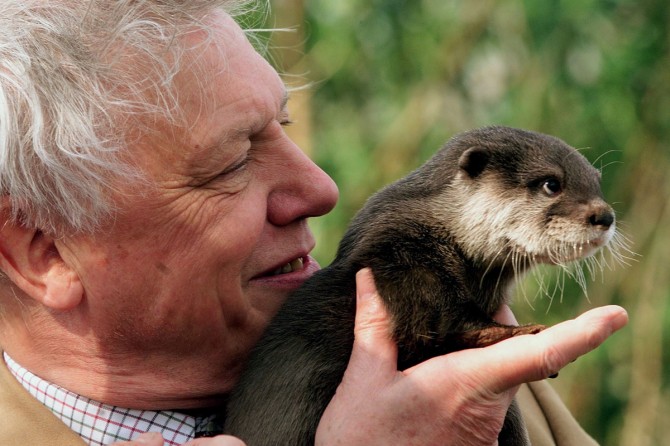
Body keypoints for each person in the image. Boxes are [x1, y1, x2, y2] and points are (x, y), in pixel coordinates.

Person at [0, 1, 627, 445]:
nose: (320, 189)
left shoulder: (481, 381)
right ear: (45, 253)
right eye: (232, 161)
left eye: (285, 126)